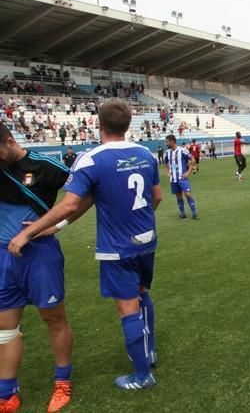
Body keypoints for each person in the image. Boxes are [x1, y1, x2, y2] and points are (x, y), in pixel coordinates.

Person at [8, 99, 162, 390]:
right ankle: (149, 351)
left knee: (127, 307)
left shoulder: (90, 159)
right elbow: (156, 198)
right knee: (142, 294)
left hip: (118, 247)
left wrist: (33, 231)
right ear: (128, 125)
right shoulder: (146, 154)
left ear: (99, 124)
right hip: (147, 240)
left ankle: (142, 376)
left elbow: (69, 205)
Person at [0, 123, 76, 412]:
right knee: (4, 329)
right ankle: (6, 394)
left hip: (40, 256)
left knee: (54, 319)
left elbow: (84, 194)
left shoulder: (45, 166)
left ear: (9, 141)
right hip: (4, 258)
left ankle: (62, 382)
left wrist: (57, 225)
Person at [164, 134, 198, 220]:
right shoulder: (167, 152)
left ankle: (194, 213)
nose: (166, 144)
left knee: (187, 194)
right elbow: (166, 163)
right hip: (173, 179)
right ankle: (182, 213)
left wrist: (188, 172)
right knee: (178, 196)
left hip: (182, 177)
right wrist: (168, 172)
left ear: (172, 141)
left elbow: (193, 160)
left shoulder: (182, 150)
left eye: (167, 142)